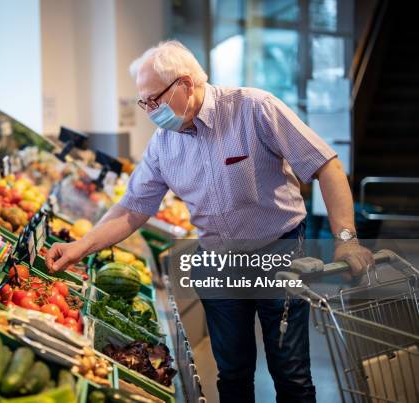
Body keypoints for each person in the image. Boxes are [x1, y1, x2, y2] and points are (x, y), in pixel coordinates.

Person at [46, 40, 374, 403]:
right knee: (232, 373)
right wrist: (81, 246)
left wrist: (346, 237)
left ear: (185, 84)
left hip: (280, 252)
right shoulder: (163, 145)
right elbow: (131, 208)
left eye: (155, 99)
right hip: (218, 259)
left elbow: (326, 165)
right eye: (144, 103)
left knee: (290, 371)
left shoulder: (254, 108)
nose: (150, 111)